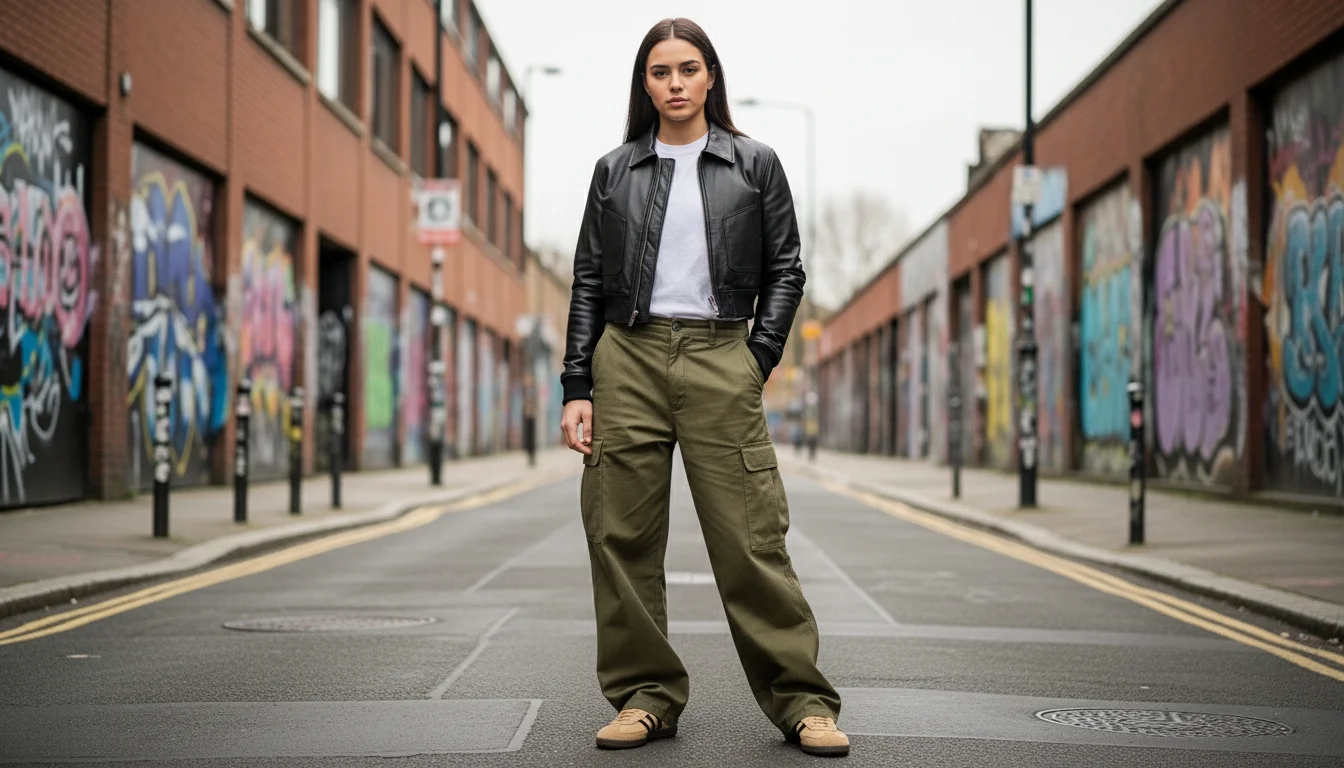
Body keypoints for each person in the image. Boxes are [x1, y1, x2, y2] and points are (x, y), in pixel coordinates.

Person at [559, 17, 848, 758]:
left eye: (689, 69)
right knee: (618, 533)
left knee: (751, 535)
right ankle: (644, 695)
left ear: (711, 76)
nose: (676, 83)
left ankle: (802, 701)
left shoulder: (755, 164)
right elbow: (589, 280)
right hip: (628, 355)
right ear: (645, 83)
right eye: (661, 72)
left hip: (724, 354)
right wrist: (578, 385)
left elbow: (787, 270)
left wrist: (756, 360)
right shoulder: (615, 170)